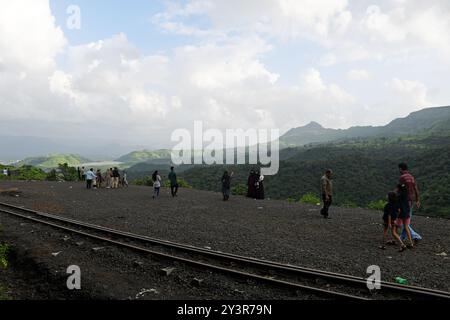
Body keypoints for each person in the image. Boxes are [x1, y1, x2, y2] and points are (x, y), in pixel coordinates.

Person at [398, 163, 422, 243]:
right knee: (407, 218)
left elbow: (400, 190)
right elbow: (416, 189)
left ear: (401, 169)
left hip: (404, 200)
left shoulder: (402, 177)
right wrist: (417, 200)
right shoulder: (411, 177)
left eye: (399, 169)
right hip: (411, 200)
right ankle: (402, 237)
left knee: (404, 220)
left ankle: (416, 236)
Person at [396, 183, 414, 249]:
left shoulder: (398, 196)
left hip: (401, 214)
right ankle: (410, 242)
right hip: (407, 213)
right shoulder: (407, 196)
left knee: (395, 227)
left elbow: (398, 207)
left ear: (399, 189)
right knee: (406, 227)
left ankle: (399, 241)